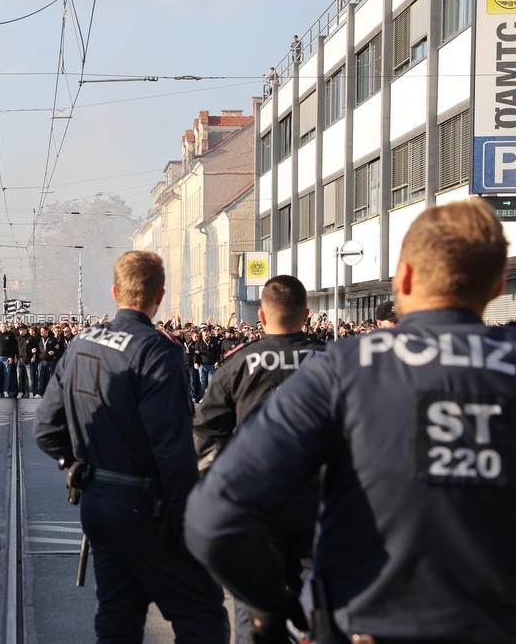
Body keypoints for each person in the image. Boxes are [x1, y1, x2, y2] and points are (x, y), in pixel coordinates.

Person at [184, 198, 516, 642]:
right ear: (497, 287)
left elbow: (212, 516)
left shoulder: (345, 369)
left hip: (366, 623)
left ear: (405, 279)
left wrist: (273, 603)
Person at [34, 251, 227, 644]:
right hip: (144, 505)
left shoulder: (81, 342)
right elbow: (171, 448)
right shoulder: (156, 349)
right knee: (201, 611)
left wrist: (76, 463)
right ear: (159, 295)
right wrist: (188, 518)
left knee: (118, 616)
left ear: (114, 291)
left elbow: (46, 429)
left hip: (95, 499)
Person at [192, 276, 325, 644]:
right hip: (319, 505)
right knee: (319, 610)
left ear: (261, 317)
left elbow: (206, 434)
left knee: (253, 612)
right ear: (307, 315)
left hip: (253, 505)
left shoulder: (239, 364)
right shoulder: (335, 363)